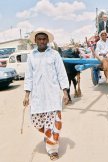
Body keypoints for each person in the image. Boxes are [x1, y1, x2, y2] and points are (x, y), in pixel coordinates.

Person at [23, 30, 69, 161]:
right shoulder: (31, 56)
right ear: (35, 41)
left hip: (52, 95)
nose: (42, 41)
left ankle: (52, 149)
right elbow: (29, 77)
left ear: (47, 40)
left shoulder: (54, 54)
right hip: (37, 96)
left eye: (44, 39)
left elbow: (61, 73)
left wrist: (65, 92)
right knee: (37, 122)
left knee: (53, 123)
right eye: (39, 39)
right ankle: (49, 135)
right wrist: (27, 95)